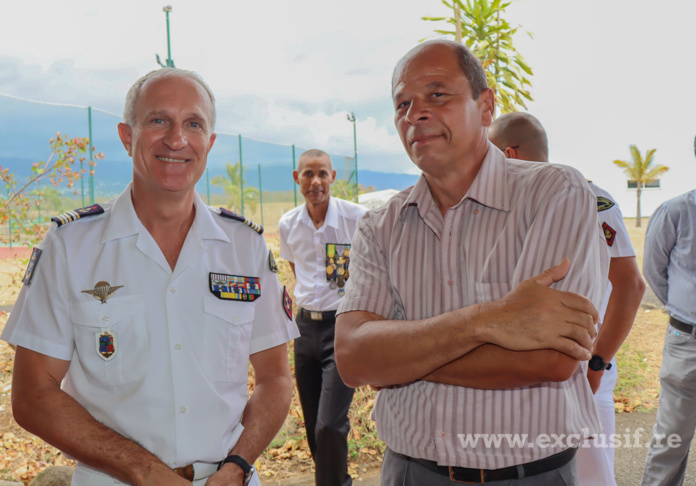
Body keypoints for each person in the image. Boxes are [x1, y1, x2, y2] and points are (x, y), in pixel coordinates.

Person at [2, 68, 299, 486]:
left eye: (193, 124)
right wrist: (143, 470)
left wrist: (238, 465)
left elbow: (275, 378)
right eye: (159, 121)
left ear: (209, 143)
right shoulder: (71, 246)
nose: (177, 139)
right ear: (127, 136)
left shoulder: (244, 247)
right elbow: (33, 395)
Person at [334, 40, 609, 485]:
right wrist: (491, 320)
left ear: (486, 107)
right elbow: (352, 359)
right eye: (402, 103)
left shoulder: (556, 193)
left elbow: (551, 359)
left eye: (437, 94)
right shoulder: (381, 225)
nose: (415, 114)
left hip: (530, 475)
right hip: (410, 472)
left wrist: (399, 359)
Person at [489, 112, 646, 486]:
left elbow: (630, 285)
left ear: (510, 155)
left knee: (590, 478)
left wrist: (596, 366)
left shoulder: (591, 198)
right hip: (523, 375)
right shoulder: (508, 207)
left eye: (490, 156)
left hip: (580, 372)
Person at [277, 149, 366, 486]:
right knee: (316, 426)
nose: (315, 182)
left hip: (341, 328)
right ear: (297, 178)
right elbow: (296, 270)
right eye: (308, 174)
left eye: (323, 174)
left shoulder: (356, 219)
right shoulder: (289, 224)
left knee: (330, 424)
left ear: (332, 177)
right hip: (304, 331)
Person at [640, 136, 696, 486]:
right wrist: (682, 311)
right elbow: (653, 272)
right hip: (686, 341)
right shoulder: (676, 212)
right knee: (670, 441)